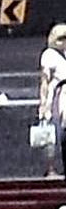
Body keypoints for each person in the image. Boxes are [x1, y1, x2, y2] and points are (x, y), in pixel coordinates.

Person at [39, 23, 66, 175]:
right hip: (55, 98)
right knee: (51, 136)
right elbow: (44, 80)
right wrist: (43, 104)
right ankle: (50, 169)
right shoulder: (49, 55)